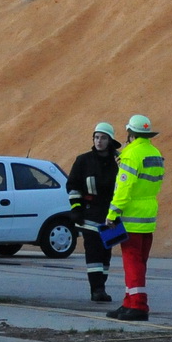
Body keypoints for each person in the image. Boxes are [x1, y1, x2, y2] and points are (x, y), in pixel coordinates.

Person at [104, 114, 165, 322]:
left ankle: (138, 304)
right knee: (139, 262)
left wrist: (112, 214)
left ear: (130, 133)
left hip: (131, 216)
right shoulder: (154, 153)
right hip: (148, 215)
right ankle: (129, 302)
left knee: (132, 262)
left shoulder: (131, 155)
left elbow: (124, 188)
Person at [67, 121, 121, 303]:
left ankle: (102, 286)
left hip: (112, 215)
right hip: (90, 214)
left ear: (110, 140)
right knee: (94, 252)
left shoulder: (119, 162)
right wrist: (76, 209)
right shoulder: (83, 161)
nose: (99, 141)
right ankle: (96, 289)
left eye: (103, 138)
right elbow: (73, 186)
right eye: (96, 137)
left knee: (106, 254)